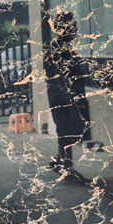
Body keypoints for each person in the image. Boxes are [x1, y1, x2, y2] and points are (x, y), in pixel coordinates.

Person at [42, 10, 91, 172]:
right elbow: (59, 76)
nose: (74, 31)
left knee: (65, 129)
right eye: (71, 27)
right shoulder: (59, 49)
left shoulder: (61, 47)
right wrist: (71, 97)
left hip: (64, 94)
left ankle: (61, 159)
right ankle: (66, 164)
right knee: (67, 129)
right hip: (64, 96)